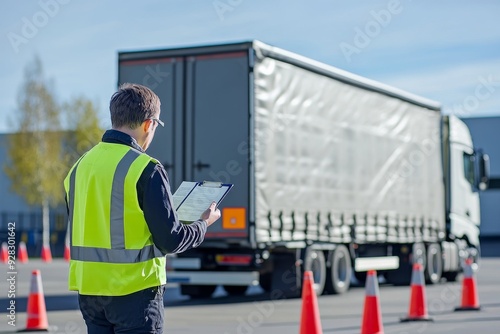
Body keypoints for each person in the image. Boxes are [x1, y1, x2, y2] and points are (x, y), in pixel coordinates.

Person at [63, 83, 221, 333]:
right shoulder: (146, 168)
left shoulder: (80, 167)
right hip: (134, 293)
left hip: (90, 293)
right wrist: (204, 223)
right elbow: (171, 240)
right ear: (149, 124)